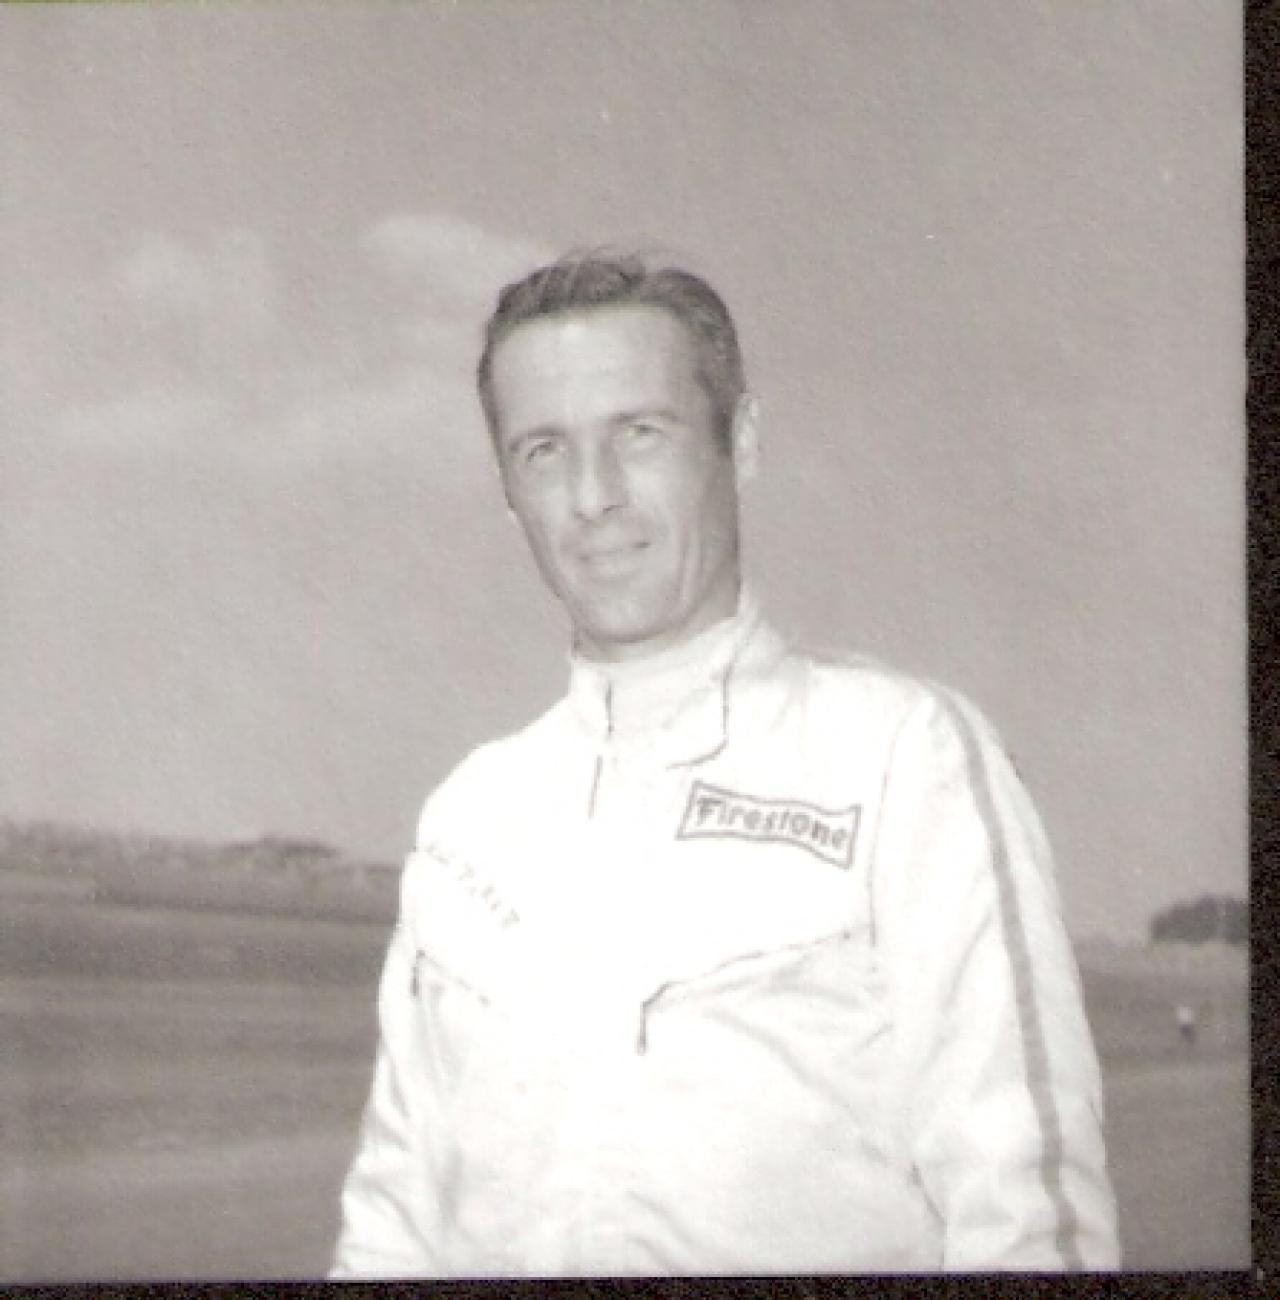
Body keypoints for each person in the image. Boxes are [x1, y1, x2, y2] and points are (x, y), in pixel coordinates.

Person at [329, 251, 1119, 1276]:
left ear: (738, 443)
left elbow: (1028, 1213)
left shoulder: (902, 756)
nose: (593, 496)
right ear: (507, 491)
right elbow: (392, 1223)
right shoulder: (469, 818)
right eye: (544, 451)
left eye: (639, 434)